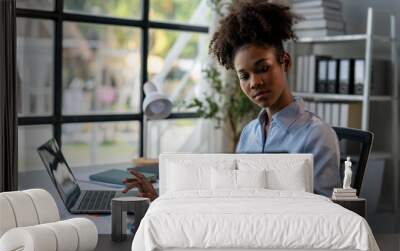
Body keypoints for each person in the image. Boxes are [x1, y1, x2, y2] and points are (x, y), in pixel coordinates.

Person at [123, 0, 340, 199]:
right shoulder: (249, 134)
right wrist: (161, 198)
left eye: (263, 68)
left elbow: (329, 216)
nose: (254, 83)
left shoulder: (317, 136)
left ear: (285, 62)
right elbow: (234, 195)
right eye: (244, 76)